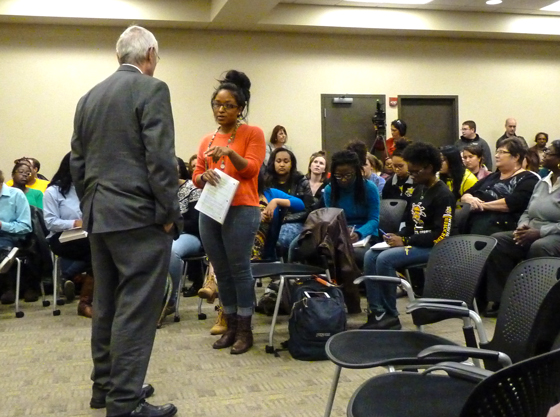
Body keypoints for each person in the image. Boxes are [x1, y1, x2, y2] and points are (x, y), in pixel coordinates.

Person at [70, 26, 179, 417]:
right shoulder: (153, 90)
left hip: (99, 216)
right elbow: (161, 160)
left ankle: (106, 386)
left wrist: (92, 205)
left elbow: (77, 163)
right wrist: (168, 214)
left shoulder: (88, 98)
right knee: (137, 308)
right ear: (149, 53)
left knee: (107, 303)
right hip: (138, 217)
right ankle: (125, 402)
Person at [193, 69, 265, 355]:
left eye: (228, 106)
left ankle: (245, 330)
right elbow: (197, 174)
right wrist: (203, 178)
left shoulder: (252, 133)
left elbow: (252, 169)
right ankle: (231, 325)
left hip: (242, 209)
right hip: (211, 209)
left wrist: (229, 154)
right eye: (217, 105)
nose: (221, 110)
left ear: (241, 108)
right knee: (221, 271)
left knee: (239, 270)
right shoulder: (207, 139)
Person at [362, 142, 455, 330]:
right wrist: (397, 235)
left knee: (386, 259)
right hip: (415, 243)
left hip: (433, 247)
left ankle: (391, 315)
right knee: (371, 255)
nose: (412, 176)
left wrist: (404, 241)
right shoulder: (418, 189)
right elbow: (411, 224)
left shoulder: (443, 195)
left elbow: (441, 235)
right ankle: (376, 311)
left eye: (415, 172)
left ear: (429, 168)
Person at [484, 140, 560, 312]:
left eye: (549, 152)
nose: (544, 154)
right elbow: (528, 210)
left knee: (540, 247)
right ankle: (502, 301)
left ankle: (536, 302)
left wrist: (540, 232)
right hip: (531, 230)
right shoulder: (543, 181)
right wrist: (522, 226)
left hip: (553, 234)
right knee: (498, 241)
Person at [43, 152, 93, 317]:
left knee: (101, 248)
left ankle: (71, 277)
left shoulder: (89, 188)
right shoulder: (53, 191)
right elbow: (50, 222)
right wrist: (74, 223)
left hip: (87, 235)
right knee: (96, 252)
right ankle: (85, 301)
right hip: (62, 237)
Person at [461, 138, 539, 236]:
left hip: (501, 225)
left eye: (502, 152)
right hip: (474, 219)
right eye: (497, 152)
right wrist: (471, 199)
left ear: (516, 157)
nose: (496, 155)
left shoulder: (528, 178)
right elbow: (466, 193)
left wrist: (481, 205)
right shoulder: (492, 176)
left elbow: (511, 203)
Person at [323, 150, 380, 267]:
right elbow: (332, 219)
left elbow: (374, 219)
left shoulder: (369, 188)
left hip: (365, 233)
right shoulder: (330, 190)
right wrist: (342, 233)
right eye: (338, 176)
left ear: (357, 172)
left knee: (352, 254)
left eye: (348, 175)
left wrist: (359, 233)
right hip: (340, 232)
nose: (343, 179)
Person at [166, 157, 202, 314]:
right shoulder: (159, 190)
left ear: (178, 169)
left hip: (189, 235)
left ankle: (170, 300)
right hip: (162, 235)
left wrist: (173, 225)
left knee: (172, 252)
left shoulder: (192, 187)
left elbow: (195, 223)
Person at [265, 147, 313, 252]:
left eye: (286, 161)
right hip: (269, 220)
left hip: (295, 221)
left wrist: (286, 219)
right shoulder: (266, 181)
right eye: (278, 161)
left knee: (284, 238)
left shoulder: (301, 181)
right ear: (273, 163)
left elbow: (308, 209)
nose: (282, 164)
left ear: (292, 164)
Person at [0, 169, 32, 305]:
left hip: (10, 237)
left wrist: (2, 225)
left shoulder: (16, 195)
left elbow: (26, 227)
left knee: (2, 244)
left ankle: (7, 287)